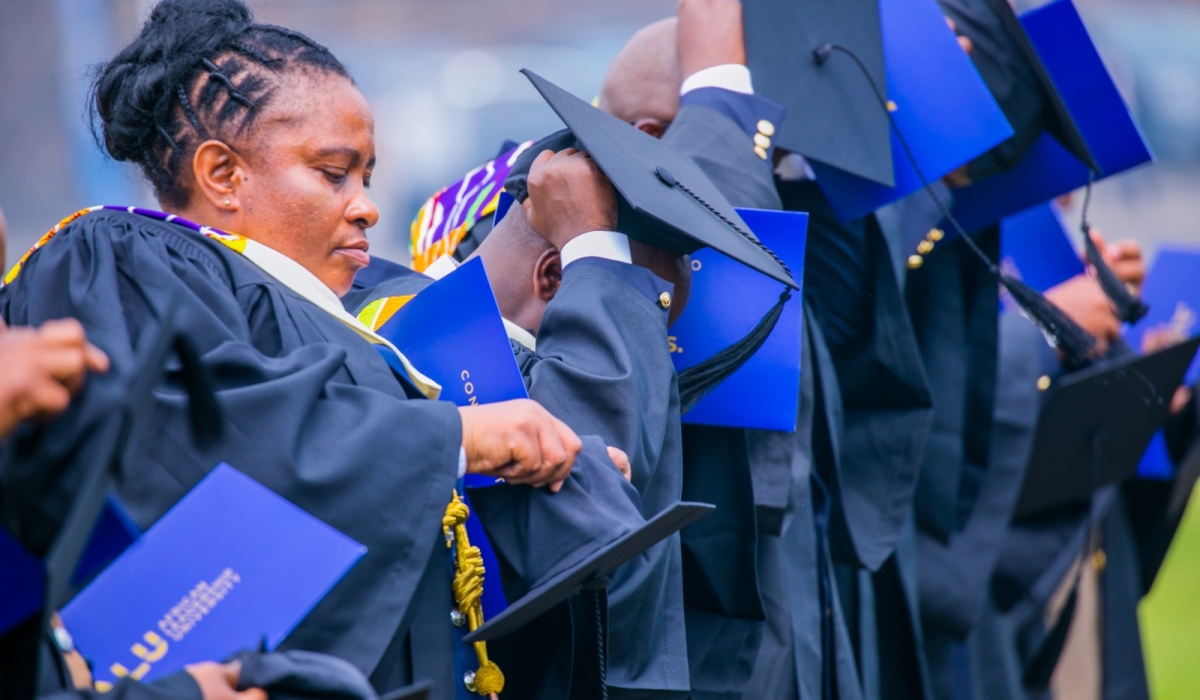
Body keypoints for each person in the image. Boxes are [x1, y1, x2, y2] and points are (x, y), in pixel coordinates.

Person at [0, 2, 653, 698]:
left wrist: (545, 476)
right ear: (222, 174)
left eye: (367, 178)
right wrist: (461, 438)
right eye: (333, 173)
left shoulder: (339, 307)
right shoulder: (116, 257)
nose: (366, 205)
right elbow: (220, 445)